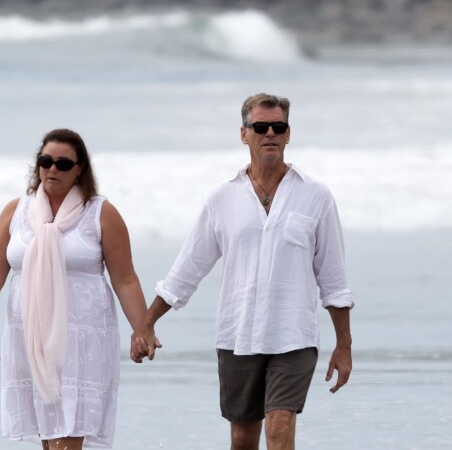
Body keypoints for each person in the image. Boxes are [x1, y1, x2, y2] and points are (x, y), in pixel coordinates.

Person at [133, 93, 354, 450]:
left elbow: (333, 279)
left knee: (280, 426)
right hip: (238, 336)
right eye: (260, 127)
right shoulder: (222, 198)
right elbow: (187, 269)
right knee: (242, 439)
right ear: (244, 134)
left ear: (287, 134)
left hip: (293, 337)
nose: (269, 133)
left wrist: (343, 345)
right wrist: (148, 321)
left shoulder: (316, 196)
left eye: (277, 127)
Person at [0, 128, 157, 450]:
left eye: (63, 164)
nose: (52, 169)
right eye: (45, 161)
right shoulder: (16, 212)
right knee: (49, 437)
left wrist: (143, 329)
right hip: (29, 335)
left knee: (69, 437)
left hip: (83, 338)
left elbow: (125, 278)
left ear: (80, 169)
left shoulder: (101, 212)